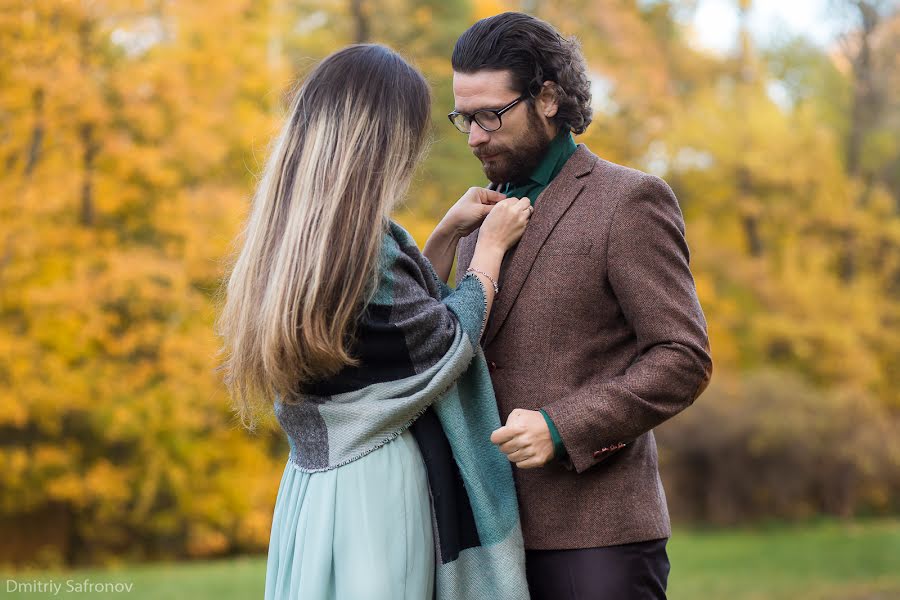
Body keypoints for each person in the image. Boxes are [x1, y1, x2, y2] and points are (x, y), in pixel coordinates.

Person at [216, 44, 533, 600]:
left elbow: (393, 329)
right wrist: (489, 252)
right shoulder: (362, 249)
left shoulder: (288, 236)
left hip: (311, 486)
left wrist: (441, 236)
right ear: (382, 139)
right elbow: (443, 342)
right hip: (373, 484)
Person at [449, 13, 714, 600]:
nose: (473, 137)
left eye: (490, 115)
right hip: (490, 544)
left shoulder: (629, 200)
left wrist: (561, 427)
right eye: (464, 118)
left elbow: (683, 356)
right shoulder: (477, 222)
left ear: (547, 97)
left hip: (599, 536)